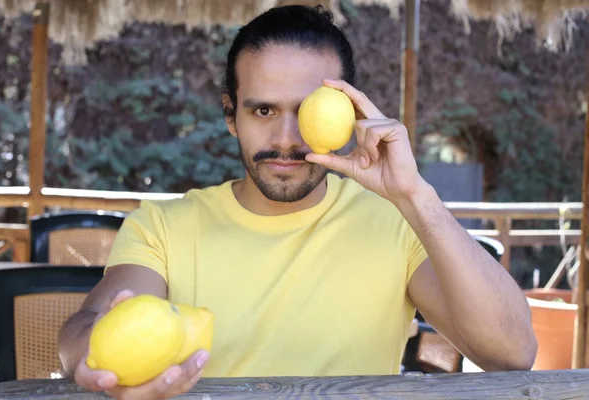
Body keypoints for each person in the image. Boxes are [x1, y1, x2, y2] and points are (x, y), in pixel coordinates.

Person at [58, 4, 537, 399]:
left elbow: (512, 354)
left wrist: (416, 195)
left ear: (349, 115)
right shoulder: (162, 226)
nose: (286, 140)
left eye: (306, 112)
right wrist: (90, 361)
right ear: (231, 115)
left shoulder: (394, 221)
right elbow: (89, 328)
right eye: (263, 110)